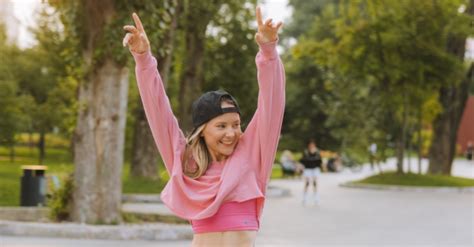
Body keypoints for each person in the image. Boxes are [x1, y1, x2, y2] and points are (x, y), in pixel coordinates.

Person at [122, 6, 284, 246]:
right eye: (221, 126)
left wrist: (268, 53)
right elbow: (158, 112)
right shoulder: (187, 163)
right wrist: (144, 59)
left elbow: (272, 104)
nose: (231, 133)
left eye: (236, 124)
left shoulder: (252, 156)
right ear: (202, 130)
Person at [299, 140, 323, 204]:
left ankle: (316, 198)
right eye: (310, 145)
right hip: (308, 169)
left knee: (315, 183)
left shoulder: (317, 152)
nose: (312, 146)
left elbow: (320, 161)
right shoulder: (306, 152)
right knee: (307, 183)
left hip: (315, 169)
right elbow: (302, 161)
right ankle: (304, 198)